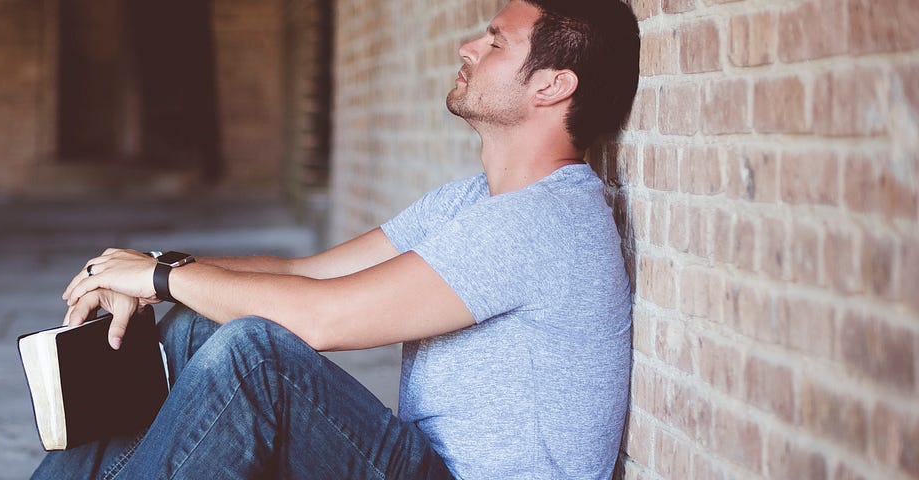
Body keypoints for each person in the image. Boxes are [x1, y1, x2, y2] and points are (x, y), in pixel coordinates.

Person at [37, 0, 640, 478]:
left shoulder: (542, 221)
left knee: (256, 358)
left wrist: (161, 278)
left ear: (552, 86)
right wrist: (157, 274)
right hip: (417, 459)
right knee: (198, 325)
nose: (469, 47)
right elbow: (307, 275)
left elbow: (323, 319)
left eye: (496, 41)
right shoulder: (470, 201)